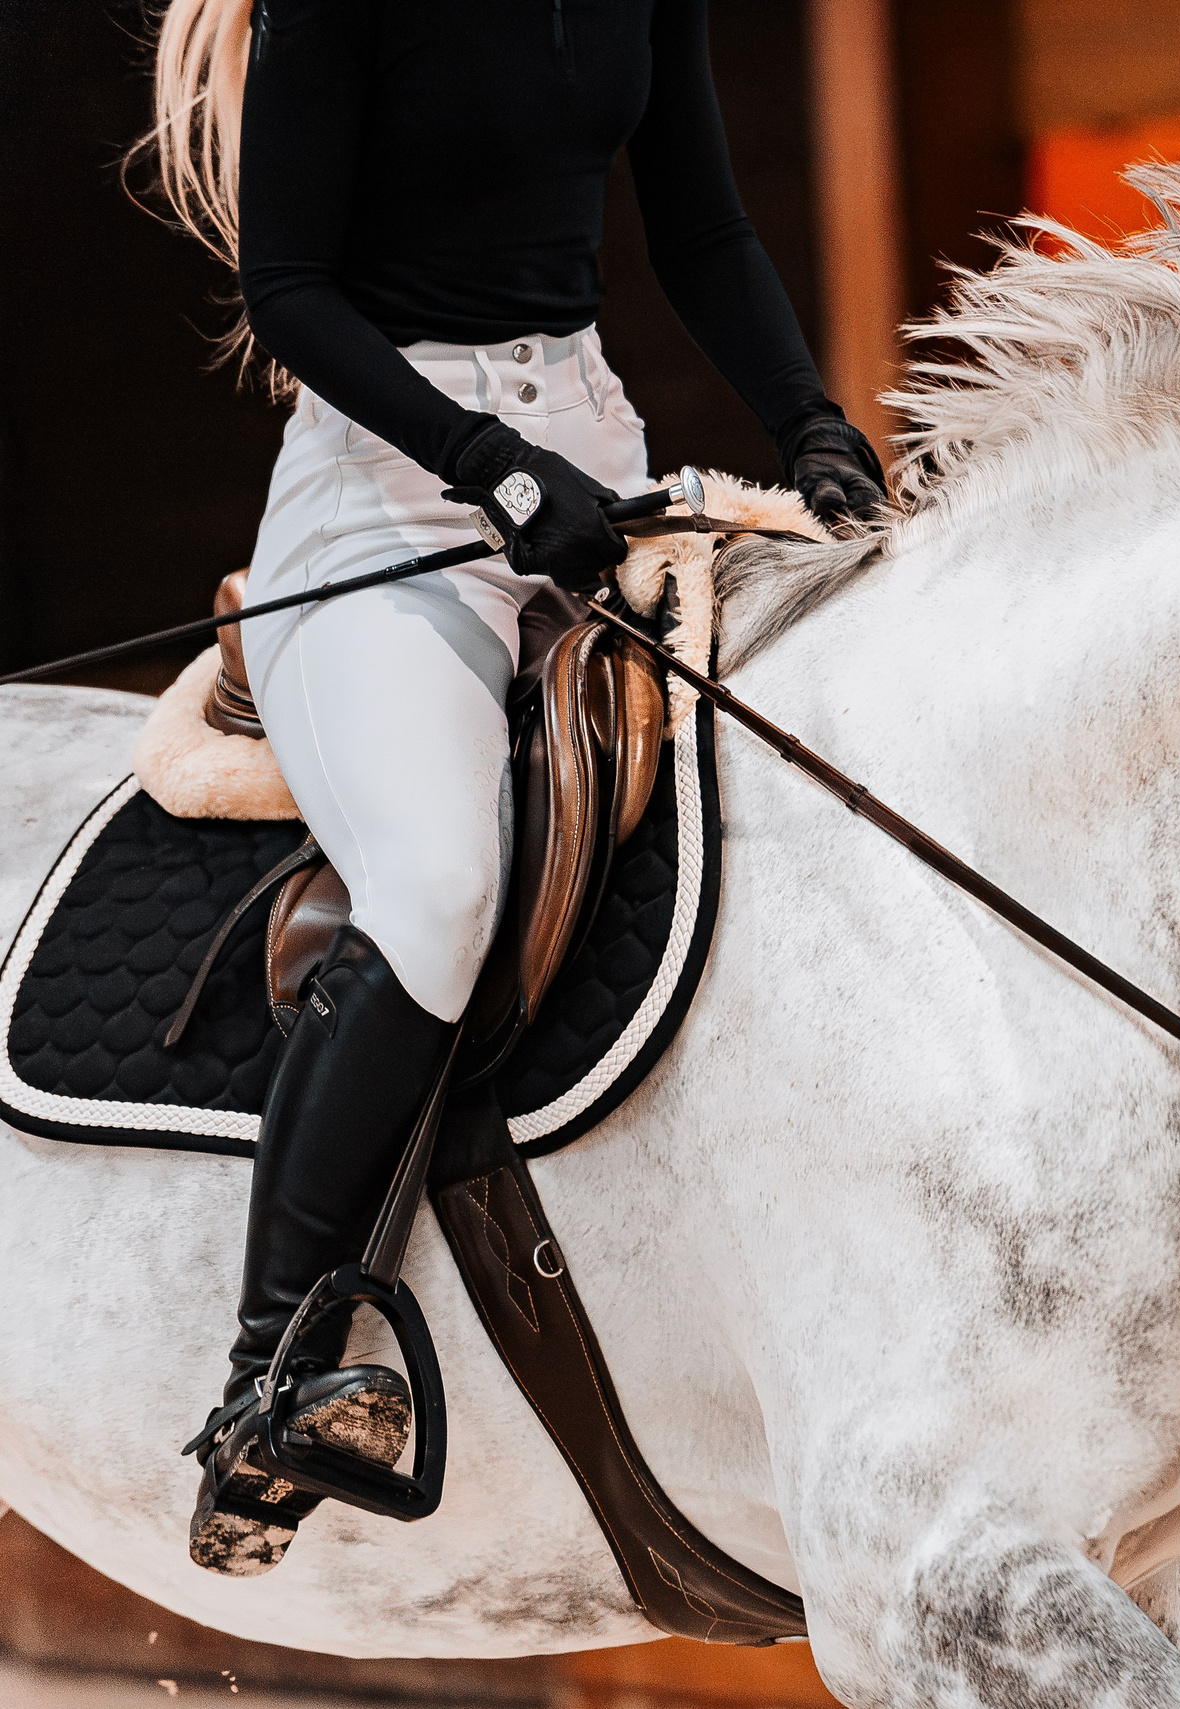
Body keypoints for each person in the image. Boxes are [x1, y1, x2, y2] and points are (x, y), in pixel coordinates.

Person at [140, 0, 886, 1576]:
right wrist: (486, 461)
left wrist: (814, 425)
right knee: (437, 883)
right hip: (387, 497)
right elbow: (289, 291)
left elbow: (704, 229)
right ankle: (272, 1372)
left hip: (594, 463)